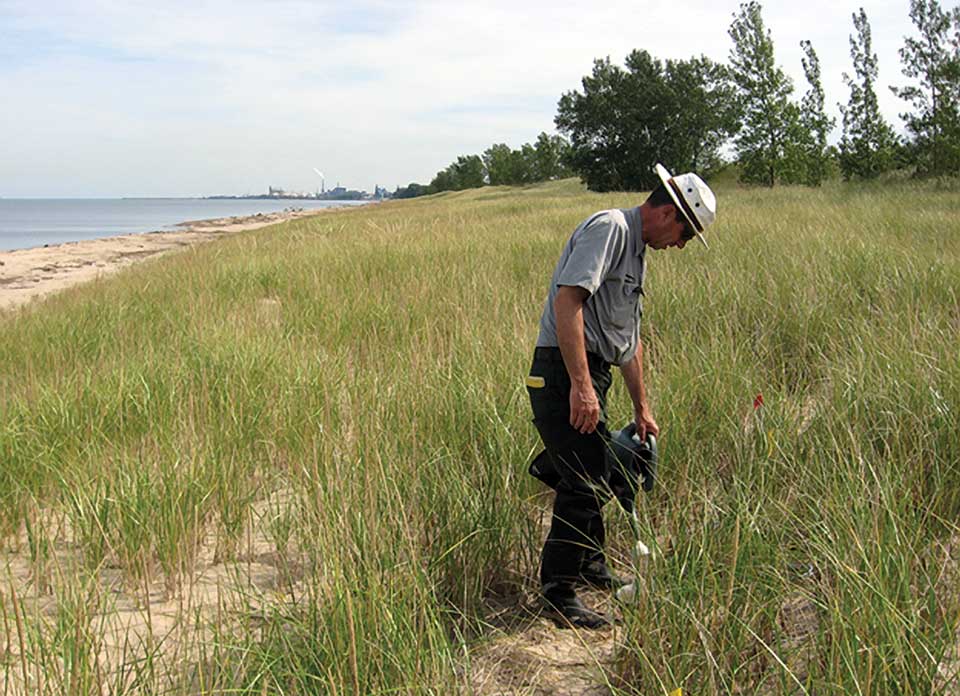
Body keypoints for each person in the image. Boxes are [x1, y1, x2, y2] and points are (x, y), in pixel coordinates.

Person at [526, 163, 717, 629]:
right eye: (685, 235)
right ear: (670, 214)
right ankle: (558, 592)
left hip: (594, 371)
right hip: (562, 369)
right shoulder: (609, 228)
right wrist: (582, 386)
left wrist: (642, 407)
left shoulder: (636, 254)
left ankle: (589, 564)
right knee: (585, 480)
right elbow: (567, 302)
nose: (680, 246)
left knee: (604, 467)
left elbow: (628, 341)